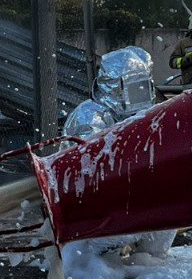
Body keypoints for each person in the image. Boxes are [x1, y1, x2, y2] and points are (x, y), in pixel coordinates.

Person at [63, 47, 174, 263]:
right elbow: (93, 174)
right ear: (116, 88)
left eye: (144, 85)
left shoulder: (140, 115)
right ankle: (88, 262)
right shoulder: (90, 117)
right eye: (135, 87)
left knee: (168, 212)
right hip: (89, 208)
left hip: (125, 197)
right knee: (136, 221)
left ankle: (148, 262)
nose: (142, 93)